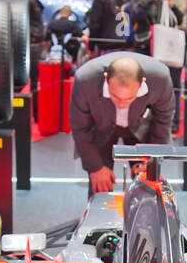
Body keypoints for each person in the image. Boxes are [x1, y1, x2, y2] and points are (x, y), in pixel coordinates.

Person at [69, 52, 174, 195]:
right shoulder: (85, 81)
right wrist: (95, 168)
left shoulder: (160, 79)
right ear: (106, 79)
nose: (122, 104)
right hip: (101, 126)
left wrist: (149, 160)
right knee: (99, 186)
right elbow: (80, 127)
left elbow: (163, 119)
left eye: (130, 97)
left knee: (147, 182)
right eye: (115, 96)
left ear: (142, 82)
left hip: (139, 126)